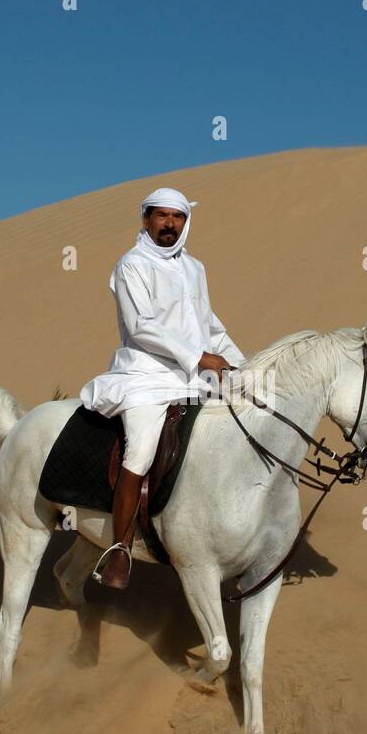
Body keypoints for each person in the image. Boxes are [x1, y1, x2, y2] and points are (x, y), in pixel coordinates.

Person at [79, 187, 245, 588]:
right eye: (162, 216)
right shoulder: (132, 265)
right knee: (141, 447)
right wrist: (200, 358)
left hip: (194, 379)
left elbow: (211, 327)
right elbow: (142, 328)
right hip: (146, 376)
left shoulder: (195, 269)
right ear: (146, 219)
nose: (170, 224)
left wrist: (243, 365)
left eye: (178, 217)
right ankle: (118, 551)